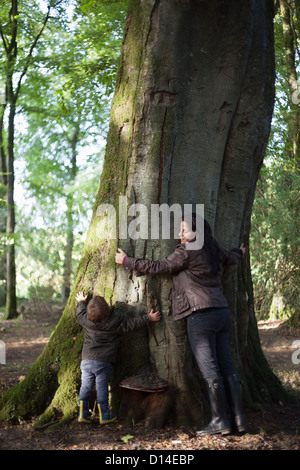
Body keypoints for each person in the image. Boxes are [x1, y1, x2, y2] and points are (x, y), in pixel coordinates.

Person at [115, 215, 246, 436]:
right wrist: (240, 252)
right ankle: (239, 420)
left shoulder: (187, 251)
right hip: (222, 313)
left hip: (201, 315)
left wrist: (128, 262)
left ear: (198, 233)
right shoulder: (214, 249)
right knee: (227, 367)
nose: (180, 235)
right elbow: (230, 257)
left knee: (210, 370)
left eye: (184, 230)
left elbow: (161, 266)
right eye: (180, 231)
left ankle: (219, 421)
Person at [75, 292, 161, 424]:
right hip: (103, 363)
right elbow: (131, 324)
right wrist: (148, 318)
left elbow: (80, 314)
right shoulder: (114, 323)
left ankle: (82, 414)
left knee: (85, 387)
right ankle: (104, 415)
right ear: (108, 311)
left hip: (86, 361)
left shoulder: (85, 321)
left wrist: (81, 302)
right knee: (102, 388)